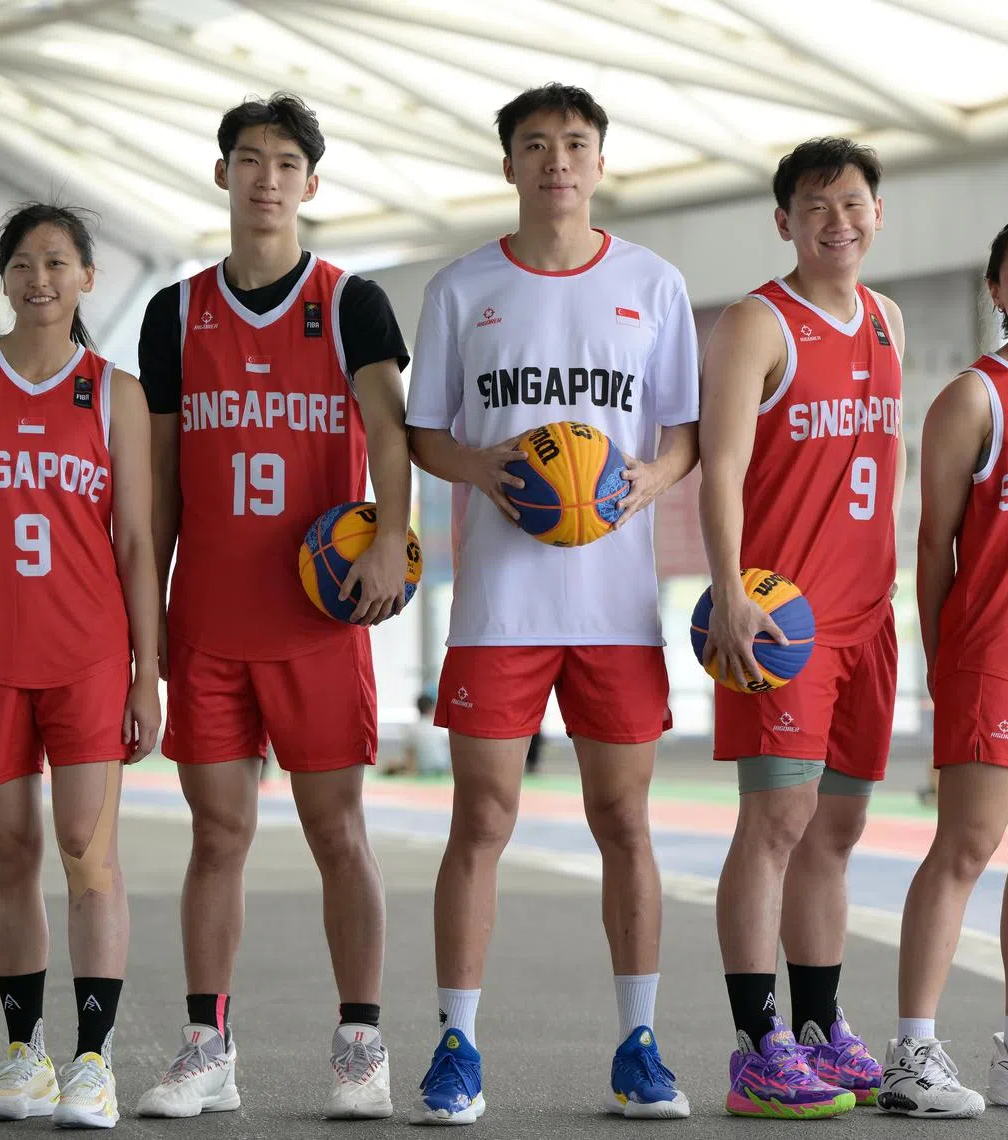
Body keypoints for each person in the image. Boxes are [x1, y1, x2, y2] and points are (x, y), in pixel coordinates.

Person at [406, 82, 699, 1124]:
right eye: (535, 145)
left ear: (601, 161)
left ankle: (638, 1046)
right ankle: (457, 1045)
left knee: (625, 819)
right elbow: (425, 435)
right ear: (510, 165)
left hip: (615, 609)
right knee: (479, 818)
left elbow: (684, 436)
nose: (556, 161)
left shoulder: (654, 284)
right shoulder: (461, 288)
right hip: (498, 606)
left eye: (575, 143)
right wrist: (486, 470)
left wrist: (644, 485)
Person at [134, 93, 412, 1120]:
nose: (265, 177)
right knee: (217, 836)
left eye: (286, 161)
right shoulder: (177, 312)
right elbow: (158, 481)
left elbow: (389, 436)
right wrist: (147, 627)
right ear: (223, 175)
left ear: (311, 183)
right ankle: (208, 1045)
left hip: (316, 621)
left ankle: (361, 1046)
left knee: (339, 832)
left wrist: (389, 537)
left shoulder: (351, 303)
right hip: (208, 620)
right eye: (248, 159)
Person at [698, 137, 905, 1117]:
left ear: (876, 214)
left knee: (840, 827)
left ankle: (821, 1026)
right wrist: (730, 588)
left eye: (855, 204)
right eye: (816, 206)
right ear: (785, 221)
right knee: (775, 821)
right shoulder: (756, 323)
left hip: (871, 618)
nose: (838, 221)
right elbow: (723, 469)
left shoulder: (891, 321)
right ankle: (754, 1045)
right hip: (784, 620)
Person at [0, 203, 160, 1128]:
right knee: (8, 854)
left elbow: (141, 545)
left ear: (86, 279)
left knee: (89, 857)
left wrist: (146, 672)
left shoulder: (115, 392)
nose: (41, 278)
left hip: (85, 659)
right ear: (3, 278)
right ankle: (24, 1055)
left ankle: (91, 1062)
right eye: (25, 263)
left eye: (59, 262)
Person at [878, 214, 1008, 1117]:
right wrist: (939, 659)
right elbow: (931, 547)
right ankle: (912, 1055)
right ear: (995, 291)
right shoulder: (974, 397)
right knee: (964, 848)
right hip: (994, 659)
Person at [385, 695, 451, 776]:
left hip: (421, 770)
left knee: (393, 765)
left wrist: (410, 772)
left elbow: (409, 754)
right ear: (433, 708)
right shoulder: (441, 728)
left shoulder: (412, 728)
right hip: (442, 768)